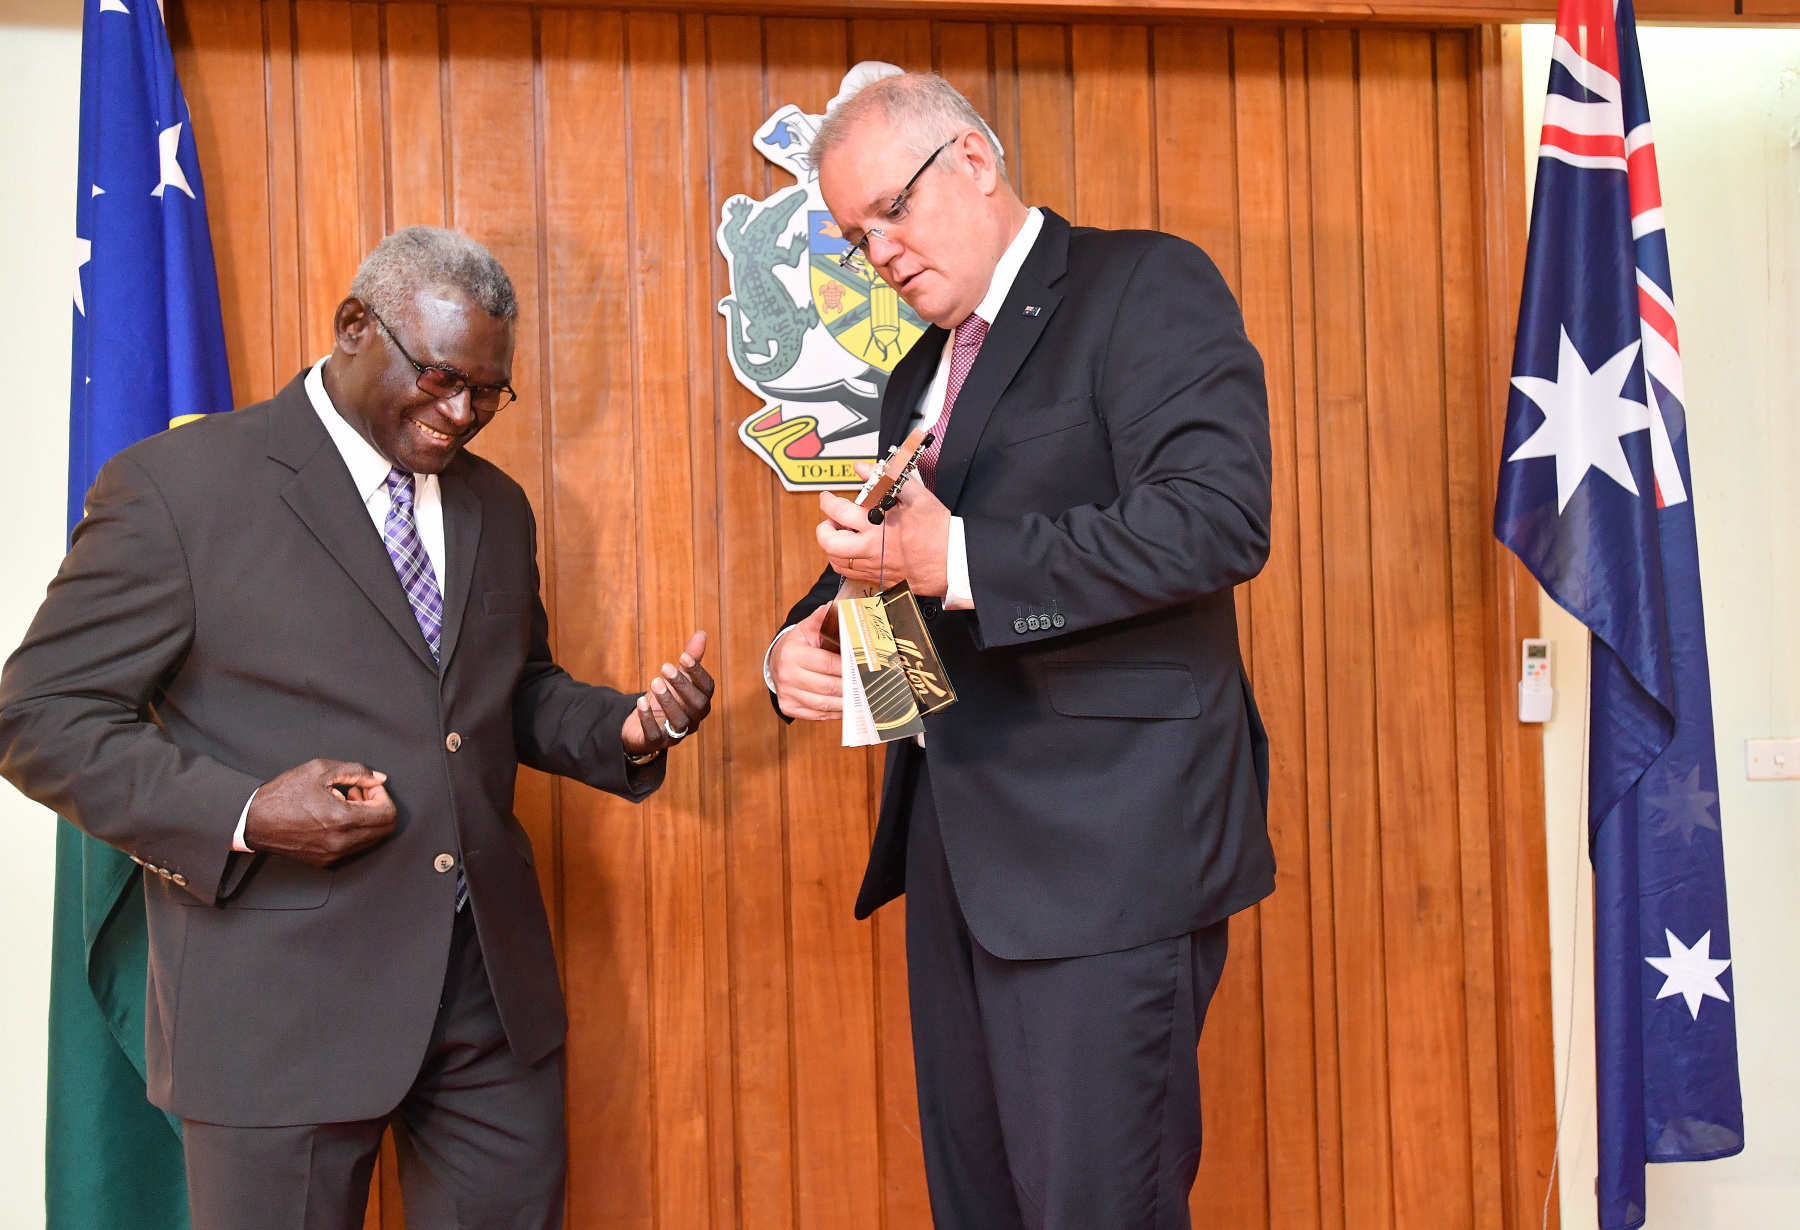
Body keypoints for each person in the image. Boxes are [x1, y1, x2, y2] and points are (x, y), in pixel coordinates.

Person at [0, 226, 712, 1230]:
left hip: (486, 1005)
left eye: (488, 393)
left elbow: (505, 694)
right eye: (441, 380)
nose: (462, 414)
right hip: (274, 1006)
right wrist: (244, 812)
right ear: (353, 328)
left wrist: (627, 728)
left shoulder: (495, 506)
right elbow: (39, 714)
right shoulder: (179, 490)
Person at [766, 74, 1275, 1229]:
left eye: (890, 213)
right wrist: (808, 641)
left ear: (974, 162)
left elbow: (1216, 519)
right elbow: (900, 554)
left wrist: (961, 563)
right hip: (960, 854)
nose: (879, 252)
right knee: (980, 1205)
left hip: (1111, 851)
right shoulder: (916, 373)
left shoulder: (1143, 284)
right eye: (856, 238)